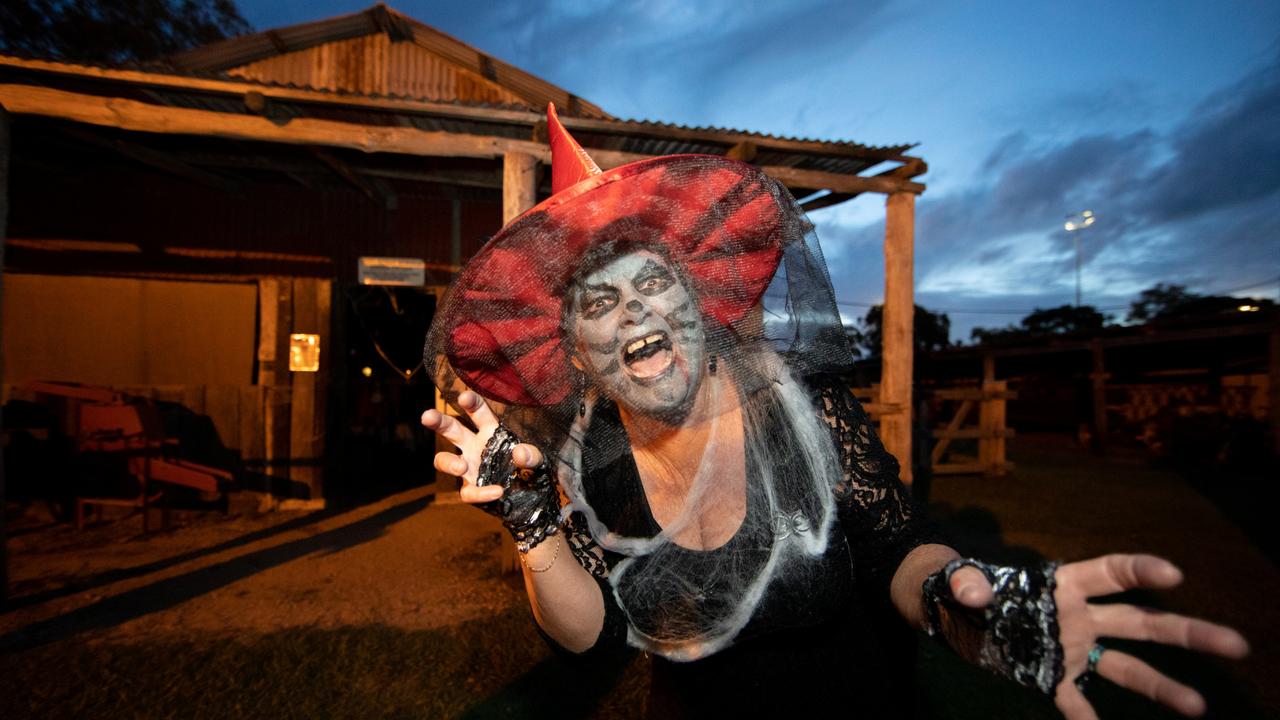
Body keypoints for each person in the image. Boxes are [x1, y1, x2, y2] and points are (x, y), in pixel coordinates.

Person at [421, 104, 1247, 718]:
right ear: (572, 349)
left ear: (697, 304)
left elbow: (896, 549)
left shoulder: (800, 405)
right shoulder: (586, 457)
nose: (633, 312)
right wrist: (531, 524)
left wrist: (964, 613)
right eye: (600, 303)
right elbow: (589, 638)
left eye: (650, 285)